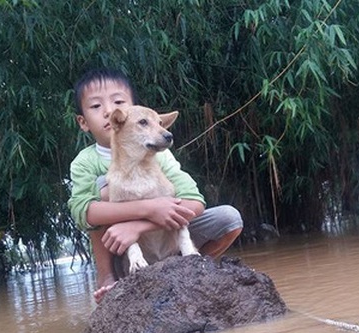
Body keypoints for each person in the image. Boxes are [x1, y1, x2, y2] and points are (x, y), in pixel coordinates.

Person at [67, 68, 243, 303]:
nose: (109, 111)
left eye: (118, 102)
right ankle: (108, 278)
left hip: (169, 237)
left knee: (229, 218)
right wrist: (150, 209)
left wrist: (140, 225)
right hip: (124, 250)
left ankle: (190, 268)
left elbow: (195, 201)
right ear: (83, 121)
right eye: (96, 106)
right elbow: (83, 213)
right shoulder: (84, 162)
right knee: (101, 188)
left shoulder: (160, 155)